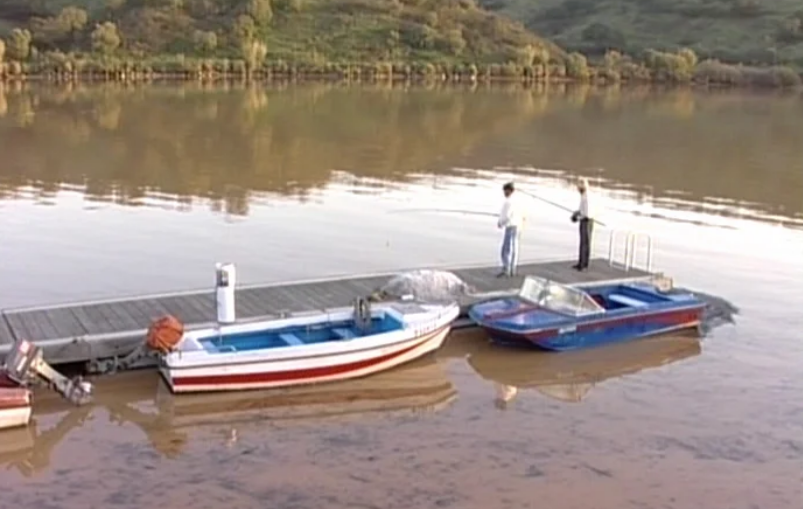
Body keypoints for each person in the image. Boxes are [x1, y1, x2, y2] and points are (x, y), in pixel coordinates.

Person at [497, 182, 525, 277]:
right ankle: (513, 269)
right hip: (518, 226)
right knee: (514, 247)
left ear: (509, 190)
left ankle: (506, 269)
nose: (504, 193)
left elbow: (507, 216)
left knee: (506, 248)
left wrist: (500, 223)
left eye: (505, 190)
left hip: (510, 226)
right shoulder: (519, 201)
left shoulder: (508, 202)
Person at [570, 178, 592, 271]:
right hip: (586, 220)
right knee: (585, 243)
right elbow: (582, 210)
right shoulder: (584, 195)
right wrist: (576, 212)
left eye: (578, 186)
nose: (577, 189)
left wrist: (577, 218)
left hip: (586, 221)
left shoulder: (586, 197)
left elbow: (586, 213)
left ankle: (582, 265)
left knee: (584, 243)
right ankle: (583, 263)